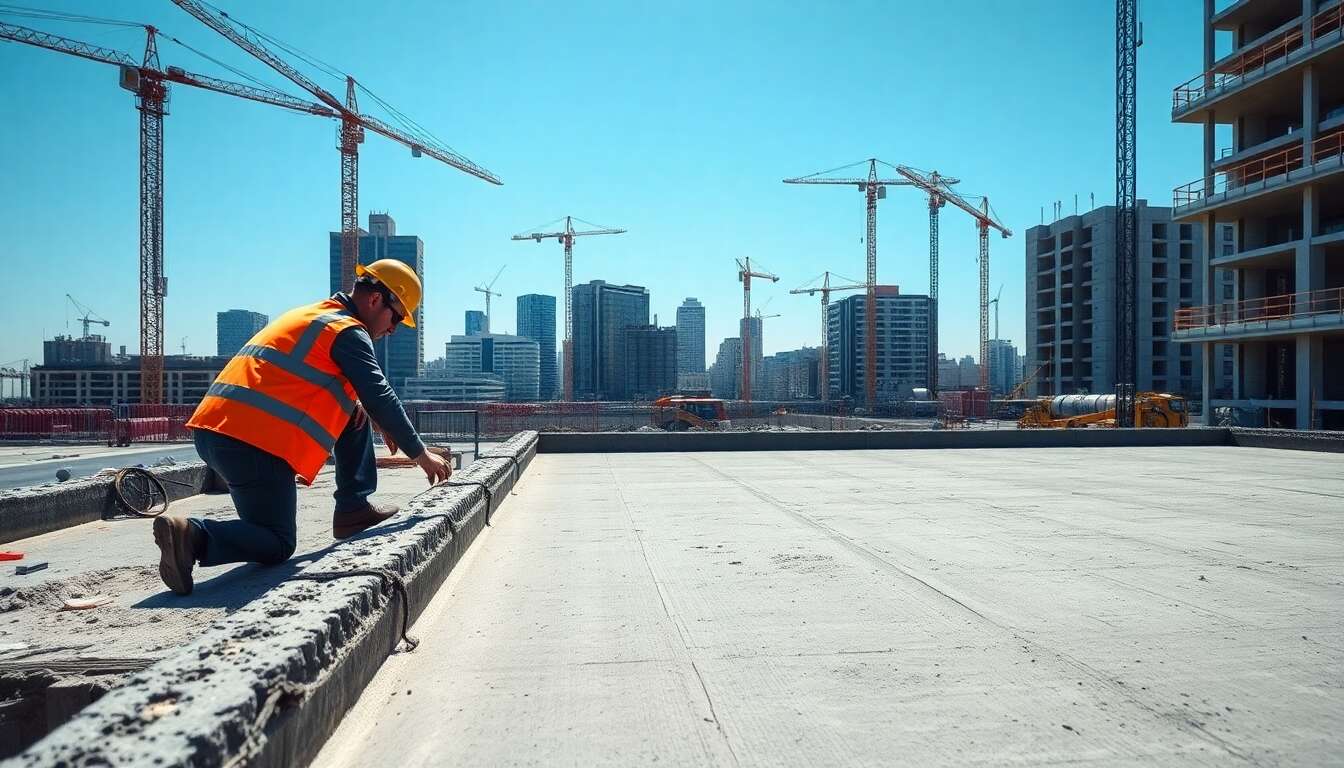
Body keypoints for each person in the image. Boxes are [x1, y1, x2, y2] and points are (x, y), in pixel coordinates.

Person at [153, 260, 452, 595]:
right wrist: (421, 454)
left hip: (216, 432)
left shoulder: (314, 316)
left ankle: (353, 509)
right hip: (250, 441)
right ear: (375, 301)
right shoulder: (349, 332)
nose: (393, 328)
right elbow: (379, 392)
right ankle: (191, 536)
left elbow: (352, 396)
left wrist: (375, 416)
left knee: (355, 415)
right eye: (396, 317)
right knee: (278, 542)